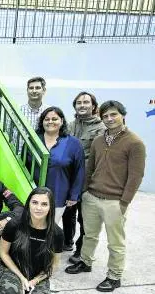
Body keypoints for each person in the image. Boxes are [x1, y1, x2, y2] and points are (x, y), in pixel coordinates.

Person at [65, 100, 146, 293]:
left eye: (113, 115)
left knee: (115, 242)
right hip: (92, 196)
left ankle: (114, 275)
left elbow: (136, 176)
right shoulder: (99, 140)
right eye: (105, 116)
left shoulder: (135, 143)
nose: (109, 119)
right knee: (89, 235)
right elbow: (90, 167)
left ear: (122, 115)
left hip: (114, 201)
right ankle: (85, 262)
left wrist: (124, 202)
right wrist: (85, 191)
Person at [0, 187, 64, 294]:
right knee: (12, 290)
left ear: (50, 207)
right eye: (35, 202)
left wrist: (35, 281)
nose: (38, 208)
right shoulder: (14, 225)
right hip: (11, 269)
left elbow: (53, 265)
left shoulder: (57, 233)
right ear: (28, 204)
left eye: (44, 204)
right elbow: (3, 253)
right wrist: (21, 278)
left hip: (36, 275)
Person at [63, 92, 105, 261]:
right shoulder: (70, 125)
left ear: (93, 106)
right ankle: (67, 242)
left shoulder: (101, 128)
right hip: (70, 178)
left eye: (86, 102)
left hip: (88, 180)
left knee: (85, 217)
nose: (82, 105)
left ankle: (81, 249)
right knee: (68, 213)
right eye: (79, 102)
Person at [36, 107, 85, 224]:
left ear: (62, 121)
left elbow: (79, 171)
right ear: (42, 122)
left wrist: (74, 196)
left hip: (58, 195)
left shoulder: (73, 143)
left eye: (54, 119)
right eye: (46, 119)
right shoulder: (34, 140)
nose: (50, 122)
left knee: (50, 228)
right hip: (34, 195)